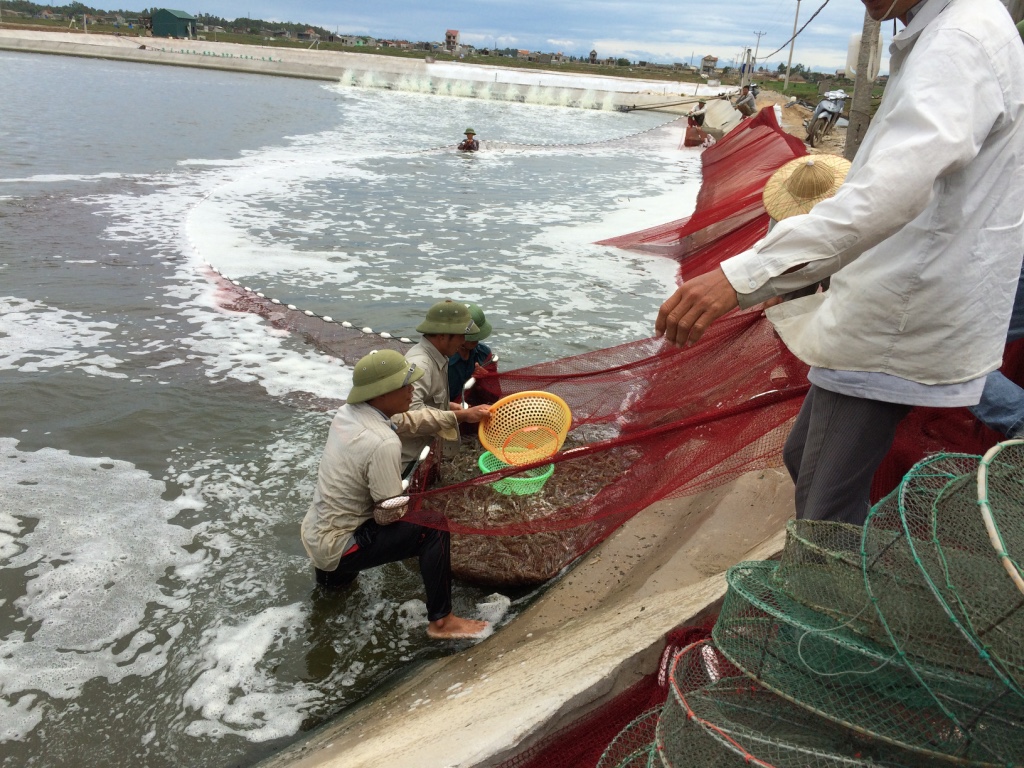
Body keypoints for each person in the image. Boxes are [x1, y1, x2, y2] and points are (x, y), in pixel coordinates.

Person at [655, 0, 1024, 527]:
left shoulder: (959, 38)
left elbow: (886, 193)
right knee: (804, 459)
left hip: (897, 308)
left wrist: (741, 277)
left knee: (823, 501)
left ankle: (839, 598)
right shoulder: (956, 29)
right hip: (894, 295)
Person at [300, 349, 489, 640]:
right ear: (381, 393)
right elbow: (388, 514)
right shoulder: (383, 442)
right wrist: (409, 504)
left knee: (330, 601)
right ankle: (442, 622)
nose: (412, 389)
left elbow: (408, 421)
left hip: (317, 532)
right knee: (433, 527)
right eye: (406, 385)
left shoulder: (349, 414)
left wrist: (460, 416)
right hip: (343, 543)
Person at [392, 300, 491, 468]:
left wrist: (449, 406)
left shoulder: (439, 356)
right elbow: (404, 417)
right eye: (460, 335)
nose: (463, 341)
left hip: (426, 453)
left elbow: (424, 402)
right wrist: (462, 416)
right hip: (408, 462)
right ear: (442, 335)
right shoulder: (421, 365)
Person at [448, 302, 497, 404]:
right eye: (473, 336)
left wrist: (485, 380)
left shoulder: (484, 354)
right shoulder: (443, 360)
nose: (477, 339)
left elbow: (494, 396)